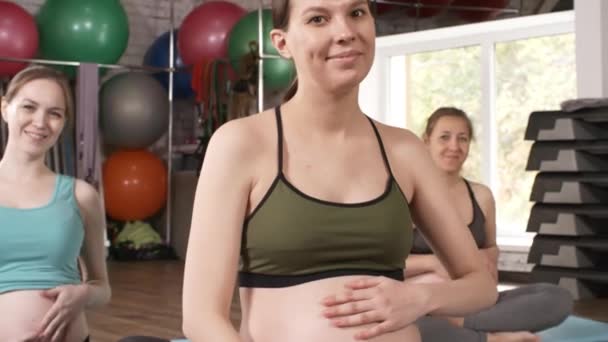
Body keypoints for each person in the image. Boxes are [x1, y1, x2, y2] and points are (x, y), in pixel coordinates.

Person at [182, 1, 498, 341]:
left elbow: (480, 284)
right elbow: (201, 317)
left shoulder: (405, 151)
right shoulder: (241, 144)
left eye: (357, 13)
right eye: (318, 19)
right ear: (282, 43)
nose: (345, 32)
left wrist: (420, 298)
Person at [407, 107, 573, 342]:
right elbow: (386, 268)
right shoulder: (406, 194)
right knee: (402, 323)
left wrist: (487, 262)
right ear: (426, 142)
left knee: (557, 298)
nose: (454, 146)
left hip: (470, 301)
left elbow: (490, 251)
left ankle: (461, 327)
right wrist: (434, 264)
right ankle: (492, 338)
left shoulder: (481, 196)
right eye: (444, 137)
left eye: (462, 138)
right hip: (422, 299)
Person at [0, 65, 111, 342]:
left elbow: (102, 288)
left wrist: (83, 293)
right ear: (5, 108)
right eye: (29, 107)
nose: (40, 122)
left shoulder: (81, 195)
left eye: (55, 113)